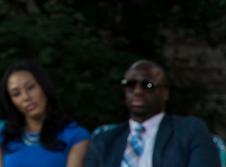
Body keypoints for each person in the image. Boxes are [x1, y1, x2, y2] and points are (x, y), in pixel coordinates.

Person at [84, 59, 219, 167]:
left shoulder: (189, 131)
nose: (137, 91)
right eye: (130, 85)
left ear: (165, 93)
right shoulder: (104, 141)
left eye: (148, 85)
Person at [0, 61, 90, 167]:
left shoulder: (76, 136)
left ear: (44, 86)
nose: (26, 97)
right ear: (11, 101)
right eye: (16, 94)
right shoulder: (0, 139)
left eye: (30, 88)